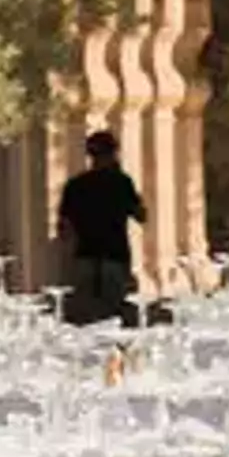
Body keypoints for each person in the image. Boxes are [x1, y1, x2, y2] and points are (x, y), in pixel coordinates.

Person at [53, 128, 146, 330]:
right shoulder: (121, 182)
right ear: (113, 153)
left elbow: (63, 228)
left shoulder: (76, 185)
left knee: (85, 317)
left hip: (84, 256)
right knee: (114, 315)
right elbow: (141, 215)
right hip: (114, 256)